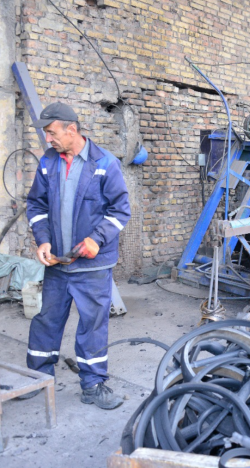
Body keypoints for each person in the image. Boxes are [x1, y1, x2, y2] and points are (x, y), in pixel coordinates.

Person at [24, 102, 131, 409]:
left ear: (71, 130)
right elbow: (36, 205)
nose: (48, 139)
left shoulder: (105, 163)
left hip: (92, 266)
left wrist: (97, 239)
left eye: (52, 132)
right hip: (57, 263)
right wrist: (43, 241)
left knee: (92, 325)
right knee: (47, 319)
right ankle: (38, 375)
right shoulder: (49, 162)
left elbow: (120, 211)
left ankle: (93, 385)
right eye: (47, 134)